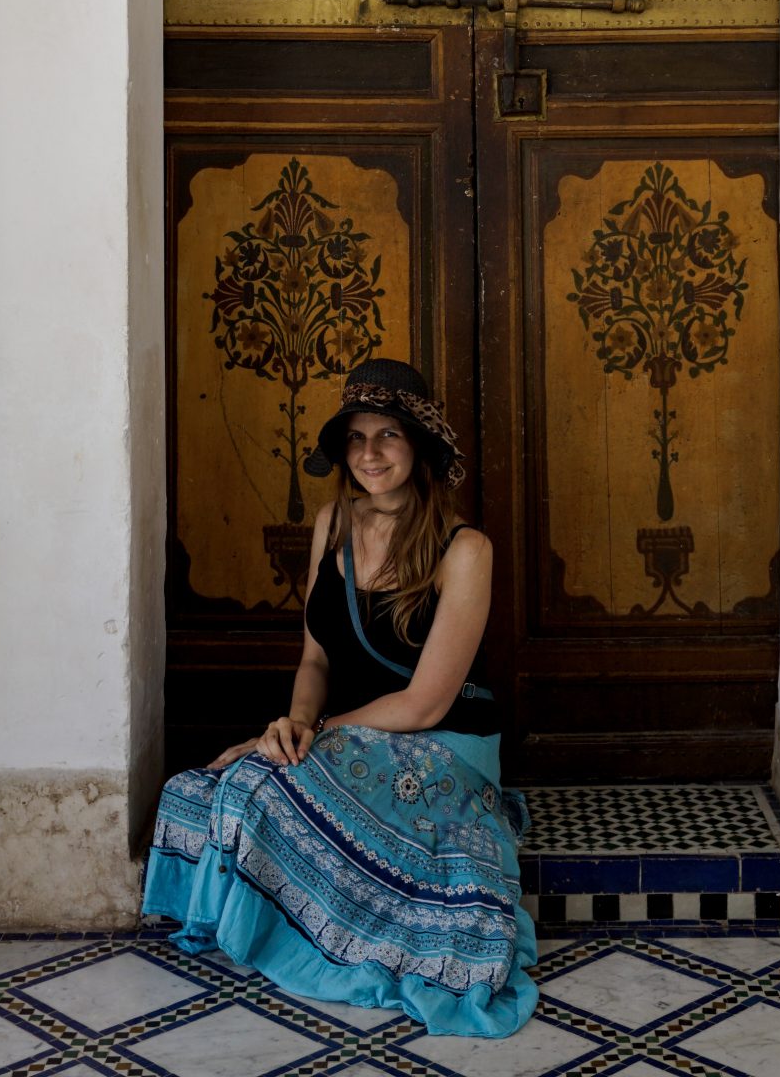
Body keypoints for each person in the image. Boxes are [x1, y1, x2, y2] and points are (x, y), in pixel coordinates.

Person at [141, 358, 538, 1037]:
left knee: (256, 788)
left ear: (420, 448)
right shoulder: (332, 524)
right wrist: (291, 725)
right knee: (201, 788)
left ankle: (325, 935)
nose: (370, 454)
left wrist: (314, 734)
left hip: (439, 741)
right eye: (356, 438)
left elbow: (423, 705)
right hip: (342, 731)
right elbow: (315, 656)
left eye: (388, 435)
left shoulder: (465, 549)